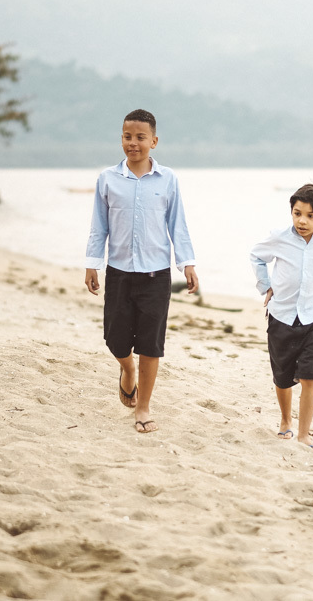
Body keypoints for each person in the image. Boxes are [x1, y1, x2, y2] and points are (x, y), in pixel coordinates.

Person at [84, 109, 199, 434]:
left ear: (154, 141)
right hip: (119, 272)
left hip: (156, 275)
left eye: (140, 137)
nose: (132, 143)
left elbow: (178, 225)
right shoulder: (108, 179)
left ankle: (144, 407)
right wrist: (92, 263)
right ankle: (127, 369)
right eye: (127, 136)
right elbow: (99, 226)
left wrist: (187, 263)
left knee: (151, 344)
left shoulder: (168, 179)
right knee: (116, 341)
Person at [250, 181, 313, 452]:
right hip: (281, 315)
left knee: (310, 376)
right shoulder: (279, 237)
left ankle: (304, 434)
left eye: (310, 215)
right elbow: (257, 256)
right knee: (282, 377)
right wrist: (265, 285)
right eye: (297, 213)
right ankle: (285, 420)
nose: (302, 221)